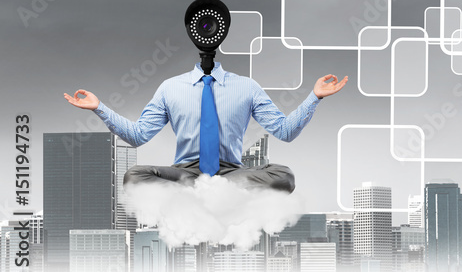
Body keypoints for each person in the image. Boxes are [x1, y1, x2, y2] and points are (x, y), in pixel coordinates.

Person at [63, 65, 348, 192]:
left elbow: (284, 131)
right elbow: (138, 136)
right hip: (185, 171)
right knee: (134, 177)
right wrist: (99, 107)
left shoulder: (246, 87)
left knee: (284, 177)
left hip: (231, 172)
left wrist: (315, 97)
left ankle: (214, 189)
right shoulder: (171, 87)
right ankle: (201, 189)